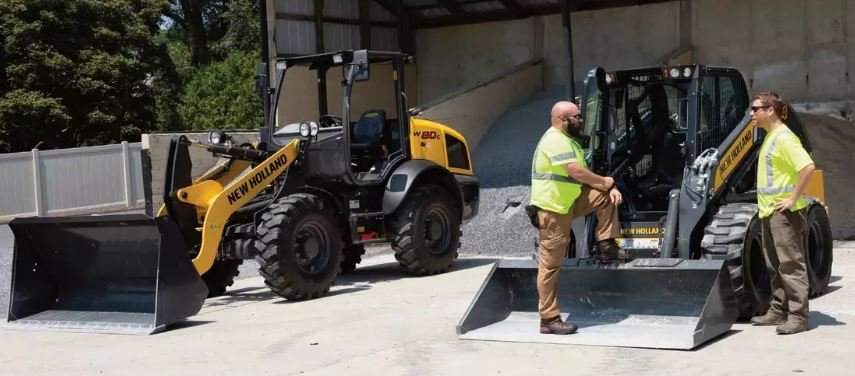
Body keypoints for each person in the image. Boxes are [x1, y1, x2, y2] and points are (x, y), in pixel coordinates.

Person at [529, 101, 627, 335]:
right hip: (553, 211)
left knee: (605, 197)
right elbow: (577, 172)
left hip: (569, 202)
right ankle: (549, 319)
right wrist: (606, 182)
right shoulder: (554, 140)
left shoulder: (569, 140)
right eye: (578, 116)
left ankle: (606, 245)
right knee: (550, 266)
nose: (582, 120)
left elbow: (582, 180)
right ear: (563, 119)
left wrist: (607, 188)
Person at [748, 92, 816, 335]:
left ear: (770, 110)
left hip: (784, 213)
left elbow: (808, 167)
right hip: (769, 211)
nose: (752, 113)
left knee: (790, 264)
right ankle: (779, 309)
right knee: (774, 264)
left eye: (756, 109)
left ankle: (798, 316)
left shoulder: (785, 138)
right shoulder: (770, 137)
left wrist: (793, 198)